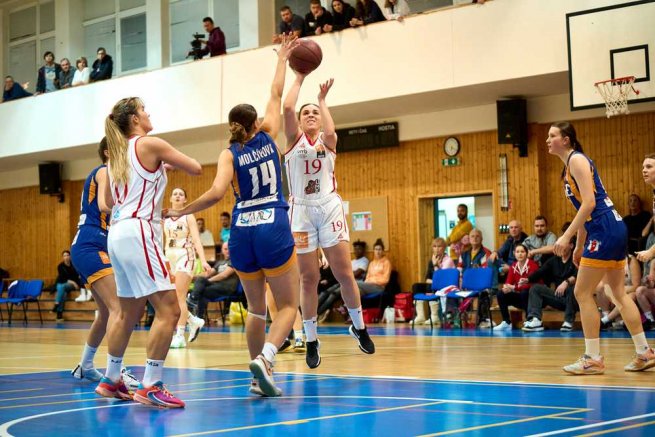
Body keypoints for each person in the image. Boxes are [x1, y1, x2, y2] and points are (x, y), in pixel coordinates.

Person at [166, 36, 301, 397]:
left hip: (241, 231)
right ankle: (268, 358)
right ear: (255, 122)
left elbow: (214, 194)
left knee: (256, 310)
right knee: (289, 304)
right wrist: (283, 58)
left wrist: (181, 209)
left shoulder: (228, 153)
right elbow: (276, 92)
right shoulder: (268, 135)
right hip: (271, 221)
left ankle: (257, 380)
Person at [95, 96, 202, 408]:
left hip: (117, 232)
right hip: (140, 230)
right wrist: (164, 161)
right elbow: (195, 168)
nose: (148, 113)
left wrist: (155, 171)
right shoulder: (149, 143)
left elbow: (109, 203)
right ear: (134, 120)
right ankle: (151, 384)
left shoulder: (115, 155)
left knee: (127, 311)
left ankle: (111, 378)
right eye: (144, 110)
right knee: (170, 310)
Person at [283, 66, 375, 370]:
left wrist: (322, 100)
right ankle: (310, 338)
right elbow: (286, 106)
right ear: (297, 122)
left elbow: (332, 131)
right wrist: (299, 78)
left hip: (329, 206)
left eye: (314, 113)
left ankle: (359, 326)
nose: (310, 115)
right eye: (305, 112)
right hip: (301, 211)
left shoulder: (328, 141)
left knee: (344, 273)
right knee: (309, 278)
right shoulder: (294, 141)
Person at [549, 122, 654, 374]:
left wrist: (566, 236)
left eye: (552, 136)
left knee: (582, 293)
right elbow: (583, 210)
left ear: (566, 140)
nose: (547, 140)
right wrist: (580, 246)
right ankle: (644, 352)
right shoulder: (570, 166)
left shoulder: (577, 160)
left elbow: (589, 204)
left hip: (604, 228)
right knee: (617, 292)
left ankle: (592, 358)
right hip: (609, 228)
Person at [70, 137, 139, 390]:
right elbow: (103, 205)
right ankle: (117, 371)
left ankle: (85, 366)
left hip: (94, 244)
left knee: (106, 313)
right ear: (109, 152)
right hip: (91, 243)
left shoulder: (113, 176)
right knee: (118, 307)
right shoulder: (103, 170)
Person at [164, 187, 211, 348]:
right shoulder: (165, 217)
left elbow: (197, 240)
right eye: (175, 193)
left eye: (181, 194)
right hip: (169, 257)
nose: (177, 196)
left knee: (179, 296)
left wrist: (203, 261)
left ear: (185, 200)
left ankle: (179, 335)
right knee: (170, 299)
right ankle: (193, 320)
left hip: (185, 255)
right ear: (170, 198)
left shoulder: (188, 216)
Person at [187, 242, 240, 333]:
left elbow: (224, 275)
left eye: (229, 248)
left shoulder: (235, 261)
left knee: (202, 288)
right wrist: (192, 277)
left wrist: (208, 281)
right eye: (225, 249)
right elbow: (208, 273)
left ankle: (195, 311)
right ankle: (197, 315)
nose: (228, 251)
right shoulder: (220, 262)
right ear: (222, 251)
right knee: (201, 282)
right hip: (216, 287)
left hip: (228, 288)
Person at [494, 243, 538, 331]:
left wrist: (514, 287)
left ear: (527, 253)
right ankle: (506, 322)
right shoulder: (513, 266)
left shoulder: (533, 265)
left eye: (522, 252)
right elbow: (508, 282)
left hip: (532, 298)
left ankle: (529, 320)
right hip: (521, 297)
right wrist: (506, 287)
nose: (520, 254)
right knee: (500, 293)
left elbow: (531, 284)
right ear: (514, 253)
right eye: (517, 252)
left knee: (525, 291)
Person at [412, 237, 455, 325]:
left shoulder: (448, 260)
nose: (437, 249)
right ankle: (420, 316)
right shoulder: (431, 260)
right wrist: (434, 265)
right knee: (416, 286)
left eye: (439, 246)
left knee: (432, 286)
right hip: (434, 284)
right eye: (434, 246)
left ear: (444, 248)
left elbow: (441, 279)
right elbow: (427, 278)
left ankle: (434, 316)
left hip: (446, 286)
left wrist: (436, 266)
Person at [53, 250, 83, 321]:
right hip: (66, 283)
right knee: (63, 293)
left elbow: (78, 276)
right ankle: (59, 314)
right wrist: (73, 282)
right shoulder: (60, 266)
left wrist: (75, 283)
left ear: (70, 256)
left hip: (73, 285)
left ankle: (56, 304)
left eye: (67, 255)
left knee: (60, 286)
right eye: (64, 256)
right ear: (62, 257)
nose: (66, 257)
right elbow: (63, 278)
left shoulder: (74, 265)